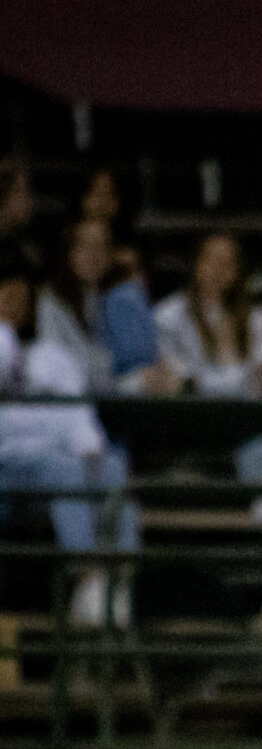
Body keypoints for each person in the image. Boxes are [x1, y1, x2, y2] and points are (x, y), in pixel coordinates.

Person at [0, 256, 138, 627]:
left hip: (50, 463)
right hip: (7, 463)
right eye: (5, 295)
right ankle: (90, 576)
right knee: (63, 470)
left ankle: (119, 580)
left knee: (110, 464)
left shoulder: (49, 355)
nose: (14, 304)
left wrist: (91, 445)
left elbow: (77, 412)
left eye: (20, 297)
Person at [152, 233, 262, 518]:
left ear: (238, 271)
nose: (218, 271)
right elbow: (185, 383)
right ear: (196, 265)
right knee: (260, 422)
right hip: (203, 417)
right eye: (211, 261)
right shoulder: (169, 317)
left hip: (254, 414)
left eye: (227, 263)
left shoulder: (256, 317)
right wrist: (243, 380)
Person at [38, 217, 156, 393]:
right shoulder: (52, 299)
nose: (94, 255)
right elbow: (56, 362)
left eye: (102, 246)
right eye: (86, 246)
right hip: (69, 398)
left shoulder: (114, 297)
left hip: (107, 394)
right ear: (70, 251)